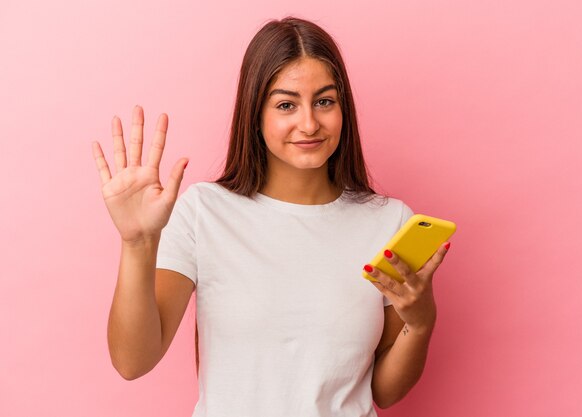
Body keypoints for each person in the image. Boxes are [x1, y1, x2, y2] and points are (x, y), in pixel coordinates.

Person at [91, 16, 450, 417]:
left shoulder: (388, 221)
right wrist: (137, 243)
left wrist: (420, 323)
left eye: (325, 101)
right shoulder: (204, 211)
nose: (309, 123)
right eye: (286, 105)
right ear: (255, 112)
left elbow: (383, 391)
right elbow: (132, 361)